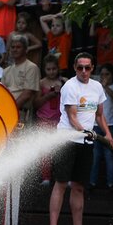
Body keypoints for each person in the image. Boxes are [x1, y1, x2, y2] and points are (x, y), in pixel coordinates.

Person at [47, 53, 113, 225]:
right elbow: (72, 116)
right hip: (67, 140)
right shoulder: (70, 86)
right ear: (75, 68)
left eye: (87, 67)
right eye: (80, 68)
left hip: (86, 142)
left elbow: (100, 115)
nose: (84, 71)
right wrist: (85, 130)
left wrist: (107, 135)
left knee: (78, 187)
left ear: (93, 68)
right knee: (61, 184)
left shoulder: (97, 87)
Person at [89, 63, 113, 191]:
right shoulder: (96, 88)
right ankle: (92, 182)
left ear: (112, 75)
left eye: (107, 74)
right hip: (96, 125)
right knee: (95, 155)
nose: (104, 76)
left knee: (109, 155)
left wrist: (105, 86)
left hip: (111, 125)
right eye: (102, 74)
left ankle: (111, 183)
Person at [34, 55, 65, 185]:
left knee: (60, 149)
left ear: (58, 68)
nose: (51, 71)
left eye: (54, 69)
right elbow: (35, 103)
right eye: (48, 69)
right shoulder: (40, 83)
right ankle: (46, 176)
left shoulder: (64, 82)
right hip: (44, 119)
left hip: (60, 120)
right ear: (44, 70)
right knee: (45, 149)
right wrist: (49, 95)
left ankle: (61, 176)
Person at [2, 33, 40, 118]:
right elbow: (2, 93)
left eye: (18, 47)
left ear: (26, 49)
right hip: (6, 112)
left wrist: (11, 109)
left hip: (21, 113)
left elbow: (27, 94)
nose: (15, 50)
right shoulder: (6, 71)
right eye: (13, 47)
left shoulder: (31, 67)